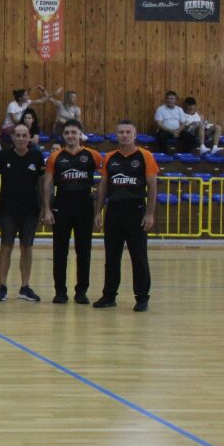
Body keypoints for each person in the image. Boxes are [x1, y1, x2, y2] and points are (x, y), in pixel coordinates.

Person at [94, 120, 158, 312]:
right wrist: (98, 211)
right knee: (112, 257)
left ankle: (142, 298)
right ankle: (109, 296)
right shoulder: (110, 157)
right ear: (116, 135)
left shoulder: (145, 156)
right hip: (114, 211)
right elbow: (103, 185)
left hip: (136, 211)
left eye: (128, 132)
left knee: (139, 257)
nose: (124, 135)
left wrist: (149, 214)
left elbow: (152, 186)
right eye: (121, 132)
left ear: (134, 135)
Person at [42, 119, 101, 304]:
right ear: (63, 135)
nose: (70, 136)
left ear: (80, 134)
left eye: (74, 132)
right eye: (67, 132)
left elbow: (105, 179)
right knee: (60, 251)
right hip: (62, 206)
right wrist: (47, 209)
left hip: (84, 207)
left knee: (84, 250)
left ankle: (81, 291)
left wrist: (98, 210)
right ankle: (60, 291)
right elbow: (47, 184)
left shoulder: (93, 155)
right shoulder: (55, 157)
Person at [0, 124, 45, 302]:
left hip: (30, 210)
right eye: (18, 135)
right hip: (8, 210)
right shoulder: (3, 156)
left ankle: (25, 287)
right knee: (6, 246)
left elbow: (42, 183)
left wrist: (45, 207)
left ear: (29, 137)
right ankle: (2, 286)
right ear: (13, 137)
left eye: (24, 135)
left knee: (27, 247)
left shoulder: (36, 156)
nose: (21, 138)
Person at [153, 90, 183, 154]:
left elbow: (183, 123)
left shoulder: (179, 109)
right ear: (165, 100)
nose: (169, 100)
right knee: (161, 137)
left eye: (172, 98)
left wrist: (178, 131)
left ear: (175, 100)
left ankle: (182, 154)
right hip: (165, 131)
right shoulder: (160, 109)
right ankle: (165, 154)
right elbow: (159, 124)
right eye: (168, 98)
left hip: (177, 131)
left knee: (190, 137)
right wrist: (171, 131)